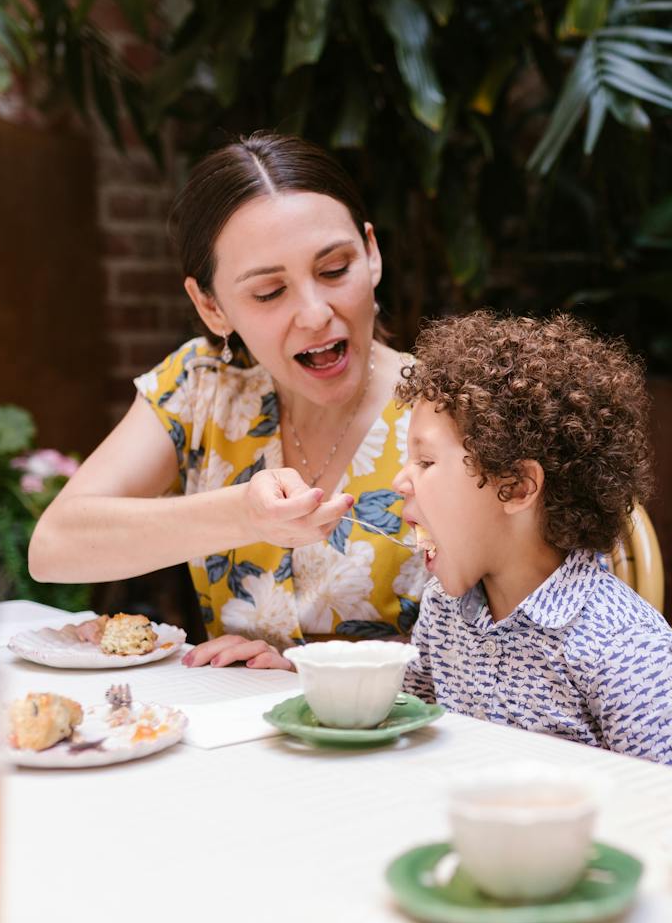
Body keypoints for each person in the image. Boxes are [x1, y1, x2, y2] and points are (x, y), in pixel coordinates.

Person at [29, 133, 426, 666]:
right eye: (269, 292)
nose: (314, 313)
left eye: (334, 270)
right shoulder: (201, 386)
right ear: (211, 306)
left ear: (372, 255)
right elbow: (54, 546)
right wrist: (244, 515)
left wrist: (306, 672)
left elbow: (511, 652)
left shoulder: (447, 407)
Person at [393, 311, 672, 772]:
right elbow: (404, 727)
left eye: (425, 461)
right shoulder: (444, 612)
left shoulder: (620, 643)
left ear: (519, 487)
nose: (400, 480)